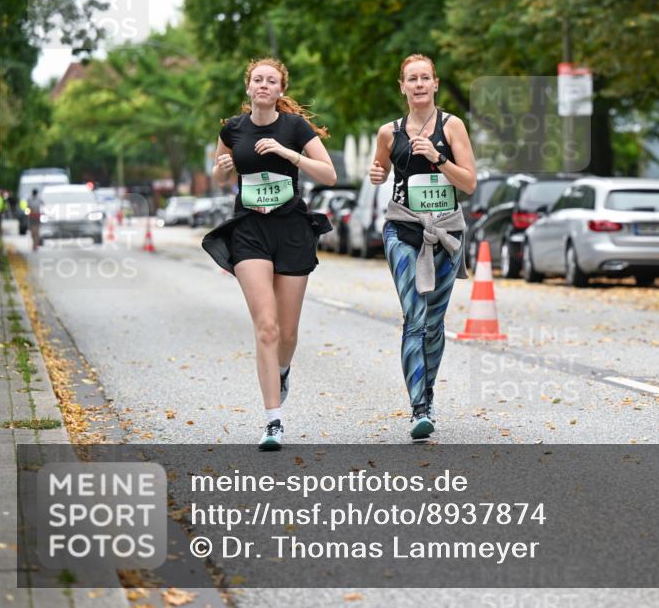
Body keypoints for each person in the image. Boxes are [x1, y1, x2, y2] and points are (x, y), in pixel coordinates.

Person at [202, 58, 337, 451]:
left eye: (271, 80)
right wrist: (223, 168)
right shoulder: (233, 129)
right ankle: (273, 421)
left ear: (280, 90)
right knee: (267, 327)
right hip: (250, 230)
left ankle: (282, 369)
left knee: (287, 333)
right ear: (248, 88)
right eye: (257, 79)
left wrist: (288, 153)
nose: (263, 85)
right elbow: (219, 176)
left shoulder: (294, 127)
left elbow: (328, 174)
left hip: (291, 229)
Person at [369, 53, 477, 440]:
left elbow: (469, 183)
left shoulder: (452, 126)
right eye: (411, 78)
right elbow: (380, 170)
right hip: (403, 229)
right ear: (402, 87)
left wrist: (438, 157)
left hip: (446, 231)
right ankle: (419, 408)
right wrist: (377, 174)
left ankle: (427, 394)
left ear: (435, 84)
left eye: (424, 78)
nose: (418, 84)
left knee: (434, 323)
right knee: (414, 317)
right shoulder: (389, 132)